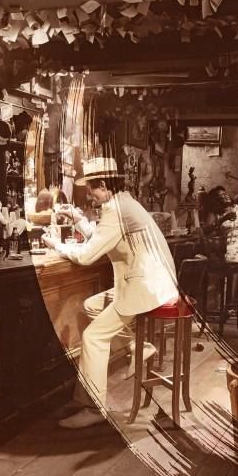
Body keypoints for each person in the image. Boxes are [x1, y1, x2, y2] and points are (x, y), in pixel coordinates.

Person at [41, 157, 179, 429]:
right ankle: (137, 345)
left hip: (147, 286)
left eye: (90, 189)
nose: (89, 195)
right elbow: (104, 238)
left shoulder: (115, 210)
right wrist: (80, 220)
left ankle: (94, 408)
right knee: (91, 306)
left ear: (103, 185)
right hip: (152, 281)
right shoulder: (123, 203)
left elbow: (87, 256)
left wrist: (56, 244)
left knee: (93, 337)